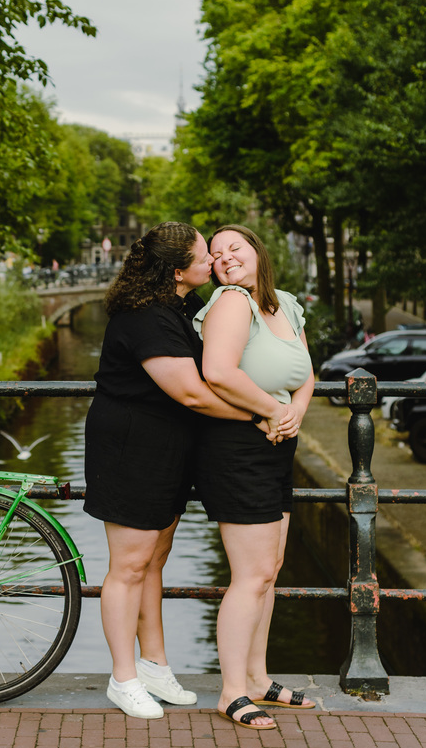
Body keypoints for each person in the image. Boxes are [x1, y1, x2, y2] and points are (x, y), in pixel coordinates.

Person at [84, 221, 269, 721]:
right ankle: (123, 678)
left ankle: (154, 665)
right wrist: (260, 415)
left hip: (165, 447)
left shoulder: (178, 307)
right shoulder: (145, 316)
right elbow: (190, 392)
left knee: (155, 557)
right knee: (127, 566)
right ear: (177, 270)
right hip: (130, 447)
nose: (212, 261)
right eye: (203, 256)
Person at [193, 224, 316, 730]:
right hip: (237, 447)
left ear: (257, 252)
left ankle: (260, 677)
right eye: (216, 254)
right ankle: (232, 691)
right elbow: (218, 372)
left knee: (271, 568)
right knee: (250, 576)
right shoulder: (229, 303)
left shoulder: (285, 303)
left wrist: (295, 415)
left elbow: (306, 373)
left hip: (277, 443)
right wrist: (270, 411)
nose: (225, 258)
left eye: (234, 248)